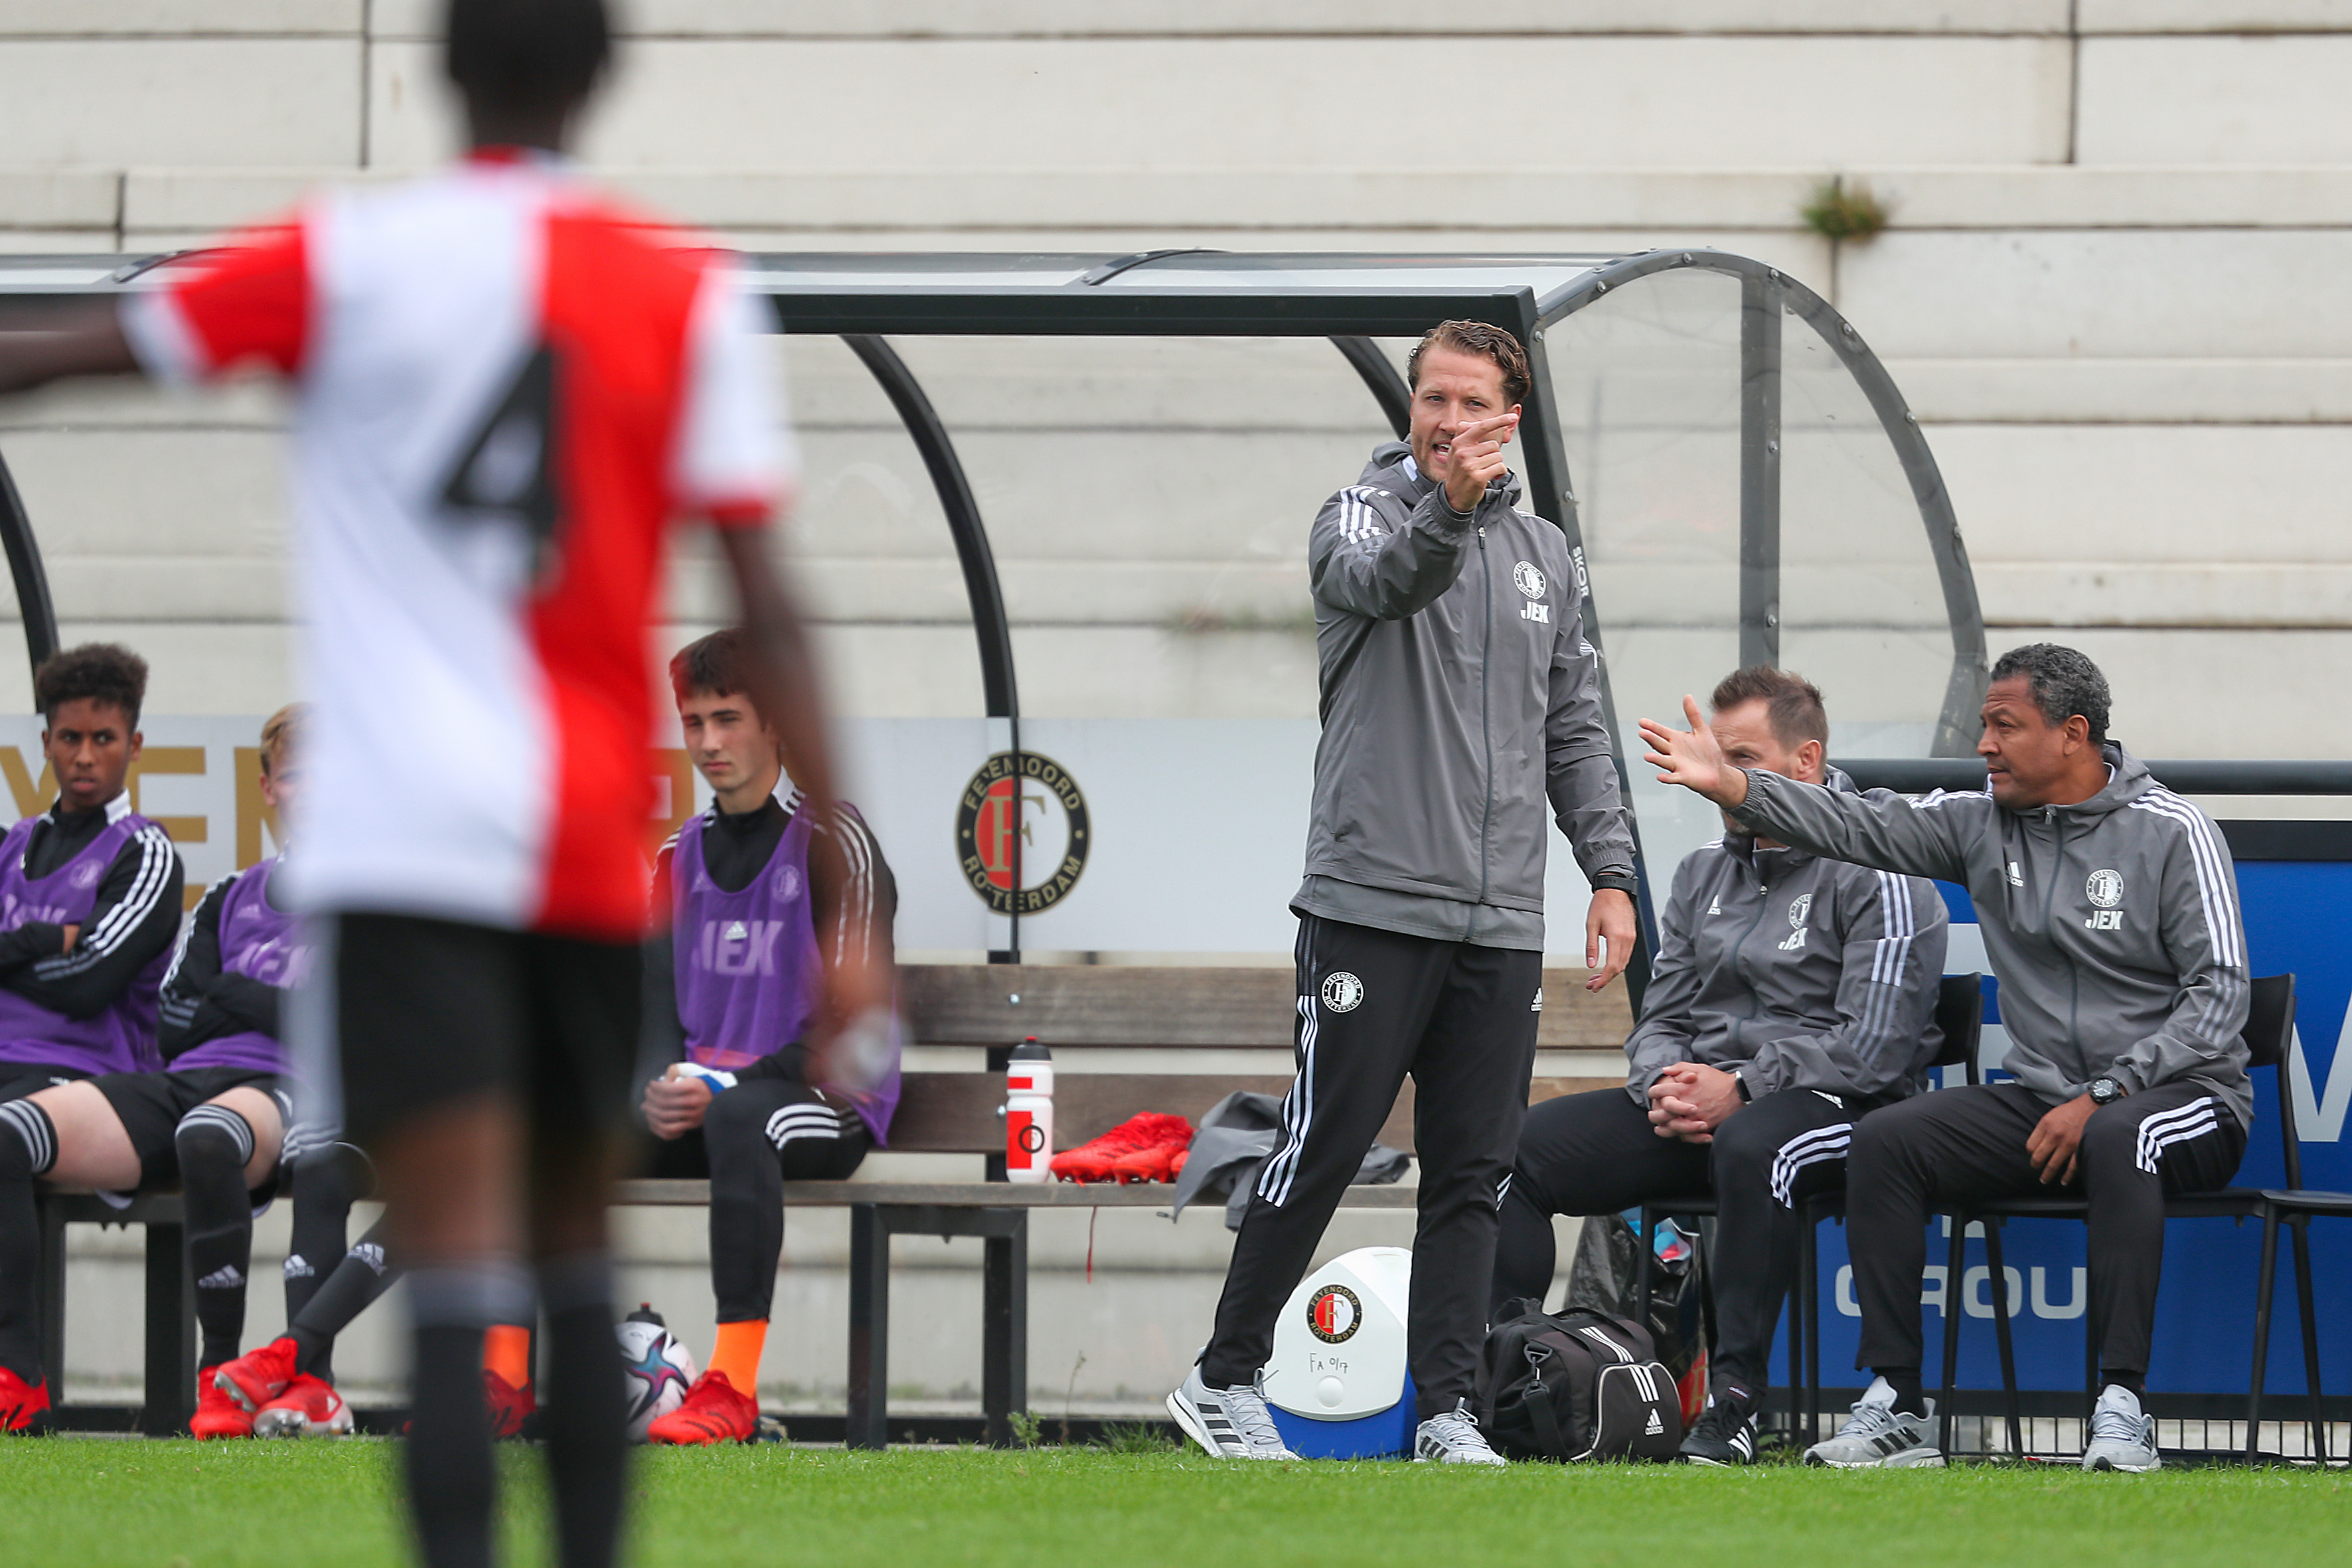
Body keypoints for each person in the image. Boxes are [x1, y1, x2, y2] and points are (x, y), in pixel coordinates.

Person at [0, 1, 878, 1559]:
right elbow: (776, 600)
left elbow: (72, 354)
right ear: (606, 77)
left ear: (432, 70)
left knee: (459, 1272)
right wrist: (866, 950)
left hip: (404, 857)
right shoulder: (684, 291)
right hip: (575, 850)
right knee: (571, 1260)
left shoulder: (346, 259)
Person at [1166, 320, 1641, 1466]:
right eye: (1429, 397)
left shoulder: (1545, 556)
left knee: (1475, 1172)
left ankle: (1443, 1412)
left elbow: (1574, 728)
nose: (1443, 420)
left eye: (1468, 402)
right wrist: (1450, 507)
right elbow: (1379, 584)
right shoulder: (1361, 513)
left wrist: (1611, 872)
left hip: (1498, 918)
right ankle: (1222, 1379)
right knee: (1322, 1145)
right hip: (1371, 899)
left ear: (1508, 418)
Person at [1640, 643, 2250, 1474]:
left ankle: (2123, 1406)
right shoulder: (1977, 823)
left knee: (2118, 1135)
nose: (1984, 746)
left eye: (2005, 726)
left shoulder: (2176, 831)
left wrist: (2110, 1089)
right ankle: (1899, 1400)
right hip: (2049, 1100)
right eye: (1983, 727)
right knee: (1887, 1139)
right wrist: (1738, 786)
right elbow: (1854, 822)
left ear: (2073, 734)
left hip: (2185, 1096)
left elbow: (2219, 998)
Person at [1490, 666, 1948, 1465]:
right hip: (1706, 1106)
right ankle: (1517, 1376)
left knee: (1752, 1142)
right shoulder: (1705, 869)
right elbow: (1662, 1016)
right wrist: (1667, 1086)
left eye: (1744, 757)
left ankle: (1734, 1404)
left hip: (1845, 1113)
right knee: (1516, 1150)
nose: (1722, 777)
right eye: (1714, 755)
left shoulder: (1883, 867)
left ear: (1806, 761)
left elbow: (1874, 1050)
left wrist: (1742, 1088)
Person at [634, 629, 898, 1445]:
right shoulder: (676, 855)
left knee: (741, 1118)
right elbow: (649, 1014)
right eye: (693, 722)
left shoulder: (834, 841)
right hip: (708, 1105)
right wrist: (654, 1086)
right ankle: (504, 1378)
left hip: (824, 1101)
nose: (709, 742)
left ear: (776, 722)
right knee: (550, 1126)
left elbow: (849, 1026)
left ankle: (731, 1386)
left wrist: (730, 1088)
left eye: (729, 718)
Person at [0, 645, 185, 1109]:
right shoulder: (13, 845)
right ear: (47, 744)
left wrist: (16, 950)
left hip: (86, 1076)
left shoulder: (145, 853)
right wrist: (45, 939)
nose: (84, 756)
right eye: (69, 738)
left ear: (134, 746)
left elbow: (86, 985)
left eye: (103, 738)